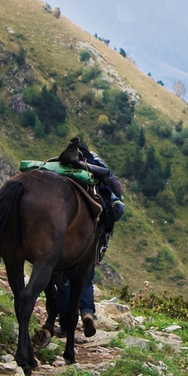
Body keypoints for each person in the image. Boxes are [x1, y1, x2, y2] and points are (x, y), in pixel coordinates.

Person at [53, 135, 123, 337]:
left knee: (64, 277)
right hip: (93, 235)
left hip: (65, 240)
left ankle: (66, 324)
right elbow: (116, 192)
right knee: (86, 276)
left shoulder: (62, 173)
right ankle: (87, 313)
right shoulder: (98, 174)